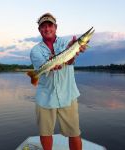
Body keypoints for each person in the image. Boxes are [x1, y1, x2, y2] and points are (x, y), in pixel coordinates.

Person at [30, 12, 86, 150]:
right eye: (43, 26)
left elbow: (70, 59)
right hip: (45, 96)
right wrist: (52, 64)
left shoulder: (66, 43)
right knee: (45, 132)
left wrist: (73, 50)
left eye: (50, 25)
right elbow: (45, 65)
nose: (47, 28)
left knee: (74, 133)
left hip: (68, 94)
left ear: (56, 27)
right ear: (39, 30)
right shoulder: (35, 50)